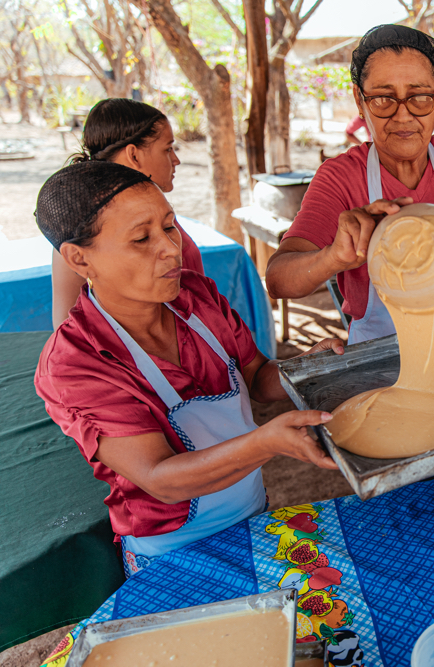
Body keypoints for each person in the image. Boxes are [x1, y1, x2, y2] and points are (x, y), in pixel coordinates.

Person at [34, 161, 341, 576]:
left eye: (170, 226)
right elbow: (160, 477)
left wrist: (308, 366)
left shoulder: (196, 297)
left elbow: (256, 377)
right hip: (170, 553)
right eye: (142, 238)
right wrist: (266, 442)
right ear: (79, 259)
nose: (169, 248)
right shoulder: (77, 362)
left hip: (253, 515)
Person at [266, 25, 434, 345]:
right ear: (360, 100)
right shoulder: (340, 178)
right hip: (381, 362)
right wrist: (334, 257)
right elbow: (278, 280)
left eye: (420, 97)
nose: (403, 116)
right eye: (383, 98)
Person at [51, 98, 202, 328]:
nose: (176, 160)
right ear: (133, 155)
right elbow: (66, 323)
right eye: (167, 148)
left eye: (168, 227)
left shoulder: (156, 210)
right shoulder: (84, 228)